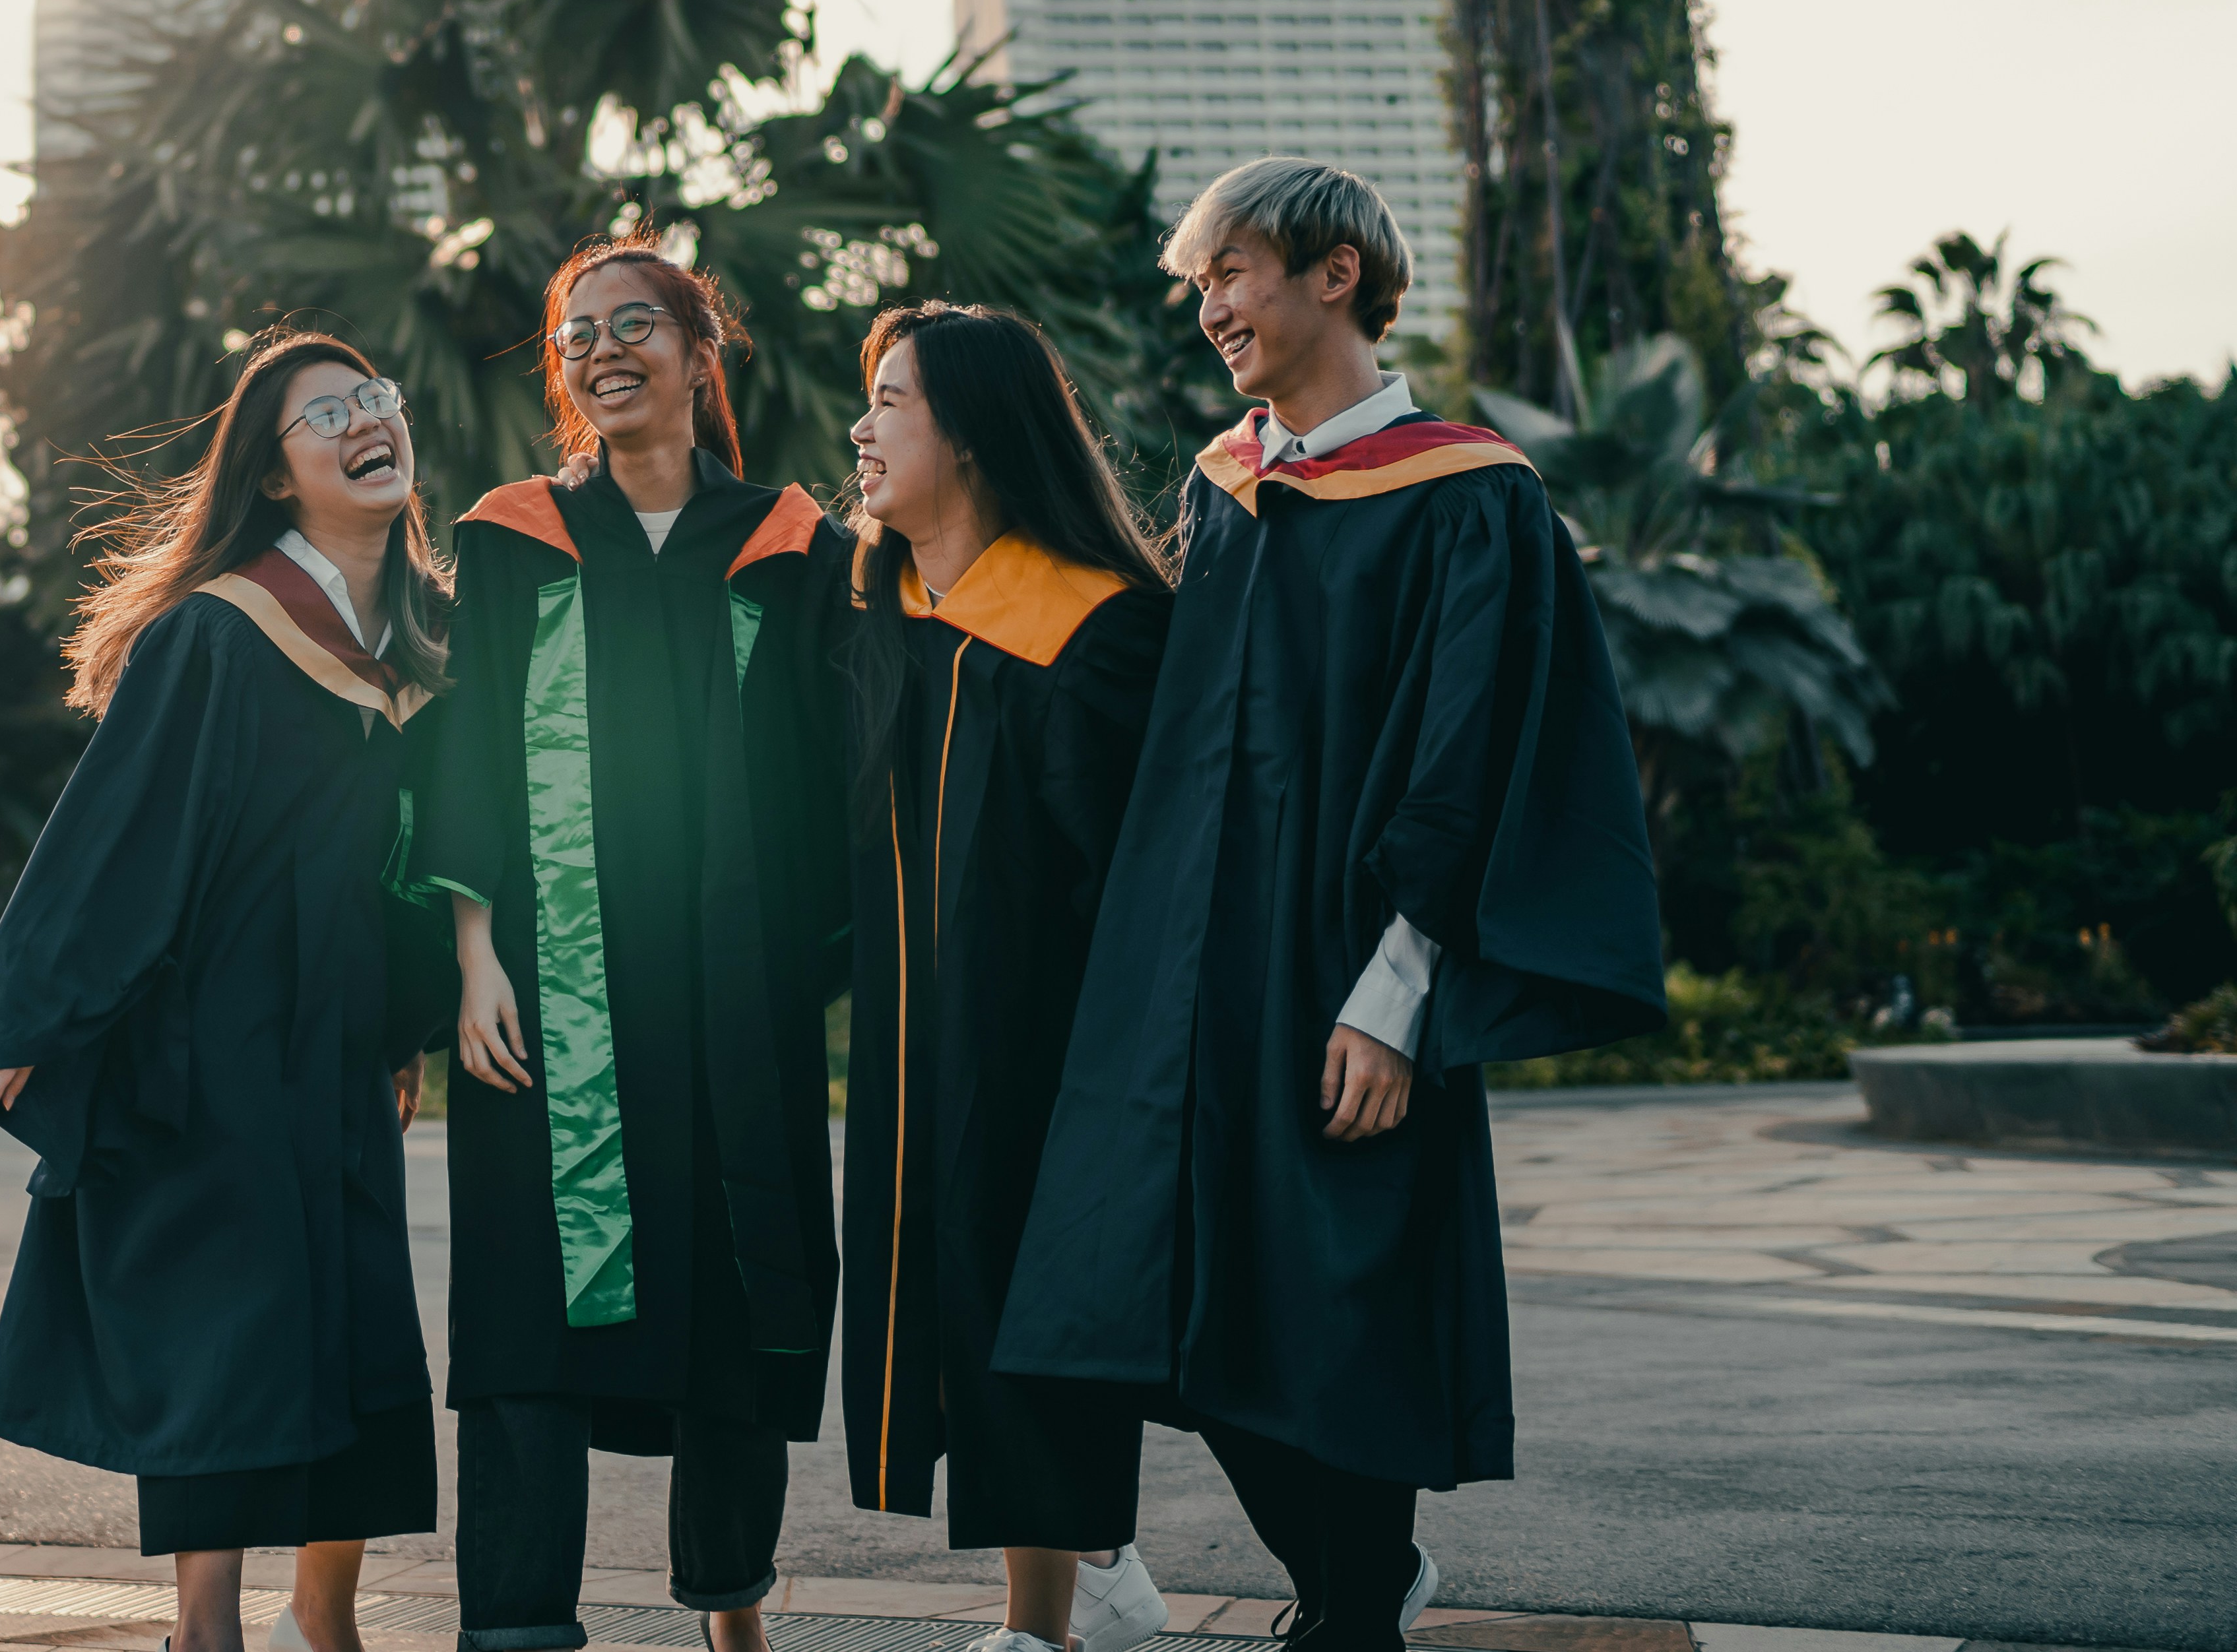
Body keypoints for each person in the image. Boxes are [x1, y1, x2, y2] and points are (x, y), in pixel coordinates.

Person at [997, 160, 1666, 1652]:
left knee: (1329, 1309)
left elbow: (1470, 752)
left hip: (1346, 972)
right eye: (1200, 283)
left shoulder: (1469, 491)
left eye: (1230, 271)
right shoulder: (1222, 484)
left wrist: (1399, 988)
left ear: (1336, 274)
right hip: (1187, 970)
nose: (1208, 306)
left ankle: (1357, 1590)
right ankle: (1357, 1580)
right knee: (1133, 1294)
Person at [0, 331, 453, 1652]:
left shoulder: (410, 646)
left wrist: (402, 1018)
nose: (366, 420)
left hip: (337, 1046)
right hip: (217, 1042)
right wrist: (29, 1017)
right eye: (327, 413)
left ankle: (327, 1619)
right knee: (224, 1329)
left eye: (375, 400)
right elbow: (118, 827)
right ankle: (207, 1626)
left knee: (347, 1325)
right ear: (278, 475)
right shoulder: (221, 631)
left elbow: (410, 866)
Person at [412, 236, 848, 1652]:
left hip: (736, 984)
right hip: (546, 983)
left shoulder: (794, 545)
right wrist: (474, 954)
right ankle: (518, 1625)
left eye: (634, 323)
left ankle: (732, 1607)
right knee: (527, 1302)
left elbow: (829, 769)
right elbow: (468, 745)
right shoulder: (511, 534)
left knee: (736, 1275)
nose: (603, 349)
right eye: (577, 332)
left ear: (699, 348)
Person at [831, 303, 1177, 1652]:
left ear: (970, 432)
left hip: (1060, 1059)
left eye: (893, 399)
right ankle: (1069, 1591)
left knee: (1042, 1316)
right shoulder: (885, 614)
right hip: (926, 1048)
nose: (862, 426)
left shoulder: (1099, 634)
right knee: (974, 1309)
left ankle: (1069, 1601)